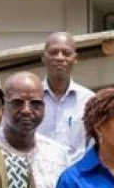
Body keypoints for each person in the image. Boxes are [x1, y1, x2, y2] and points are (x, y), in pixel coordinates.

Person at [39, 31, 94, 160]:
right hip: (38, 171)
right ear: (43, 58)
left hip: (77, 171)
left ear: (75, 58)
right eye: (53, 52)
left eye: (66, 53)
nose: (59, 57)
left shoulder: (89, 100)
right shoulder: (30, 100)